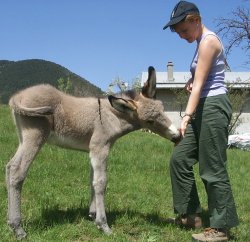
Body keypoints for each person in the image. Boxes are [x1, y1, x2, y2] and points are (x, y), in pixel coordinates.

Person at [162, 1, 239, 241]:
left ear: (195, 19)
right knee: (180, 159)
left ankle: (221, 227)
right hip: (205, 104)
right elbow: (200, 82)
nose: (181, 36)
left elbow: (202, 88)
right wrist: (192, 82)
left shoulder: (209, 42)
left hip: (214, 107)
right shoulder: (199, 43)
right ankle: (190, 215)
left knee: (212, 166)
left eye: (184, 30)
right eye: (178, 32)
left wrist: (186, 117)